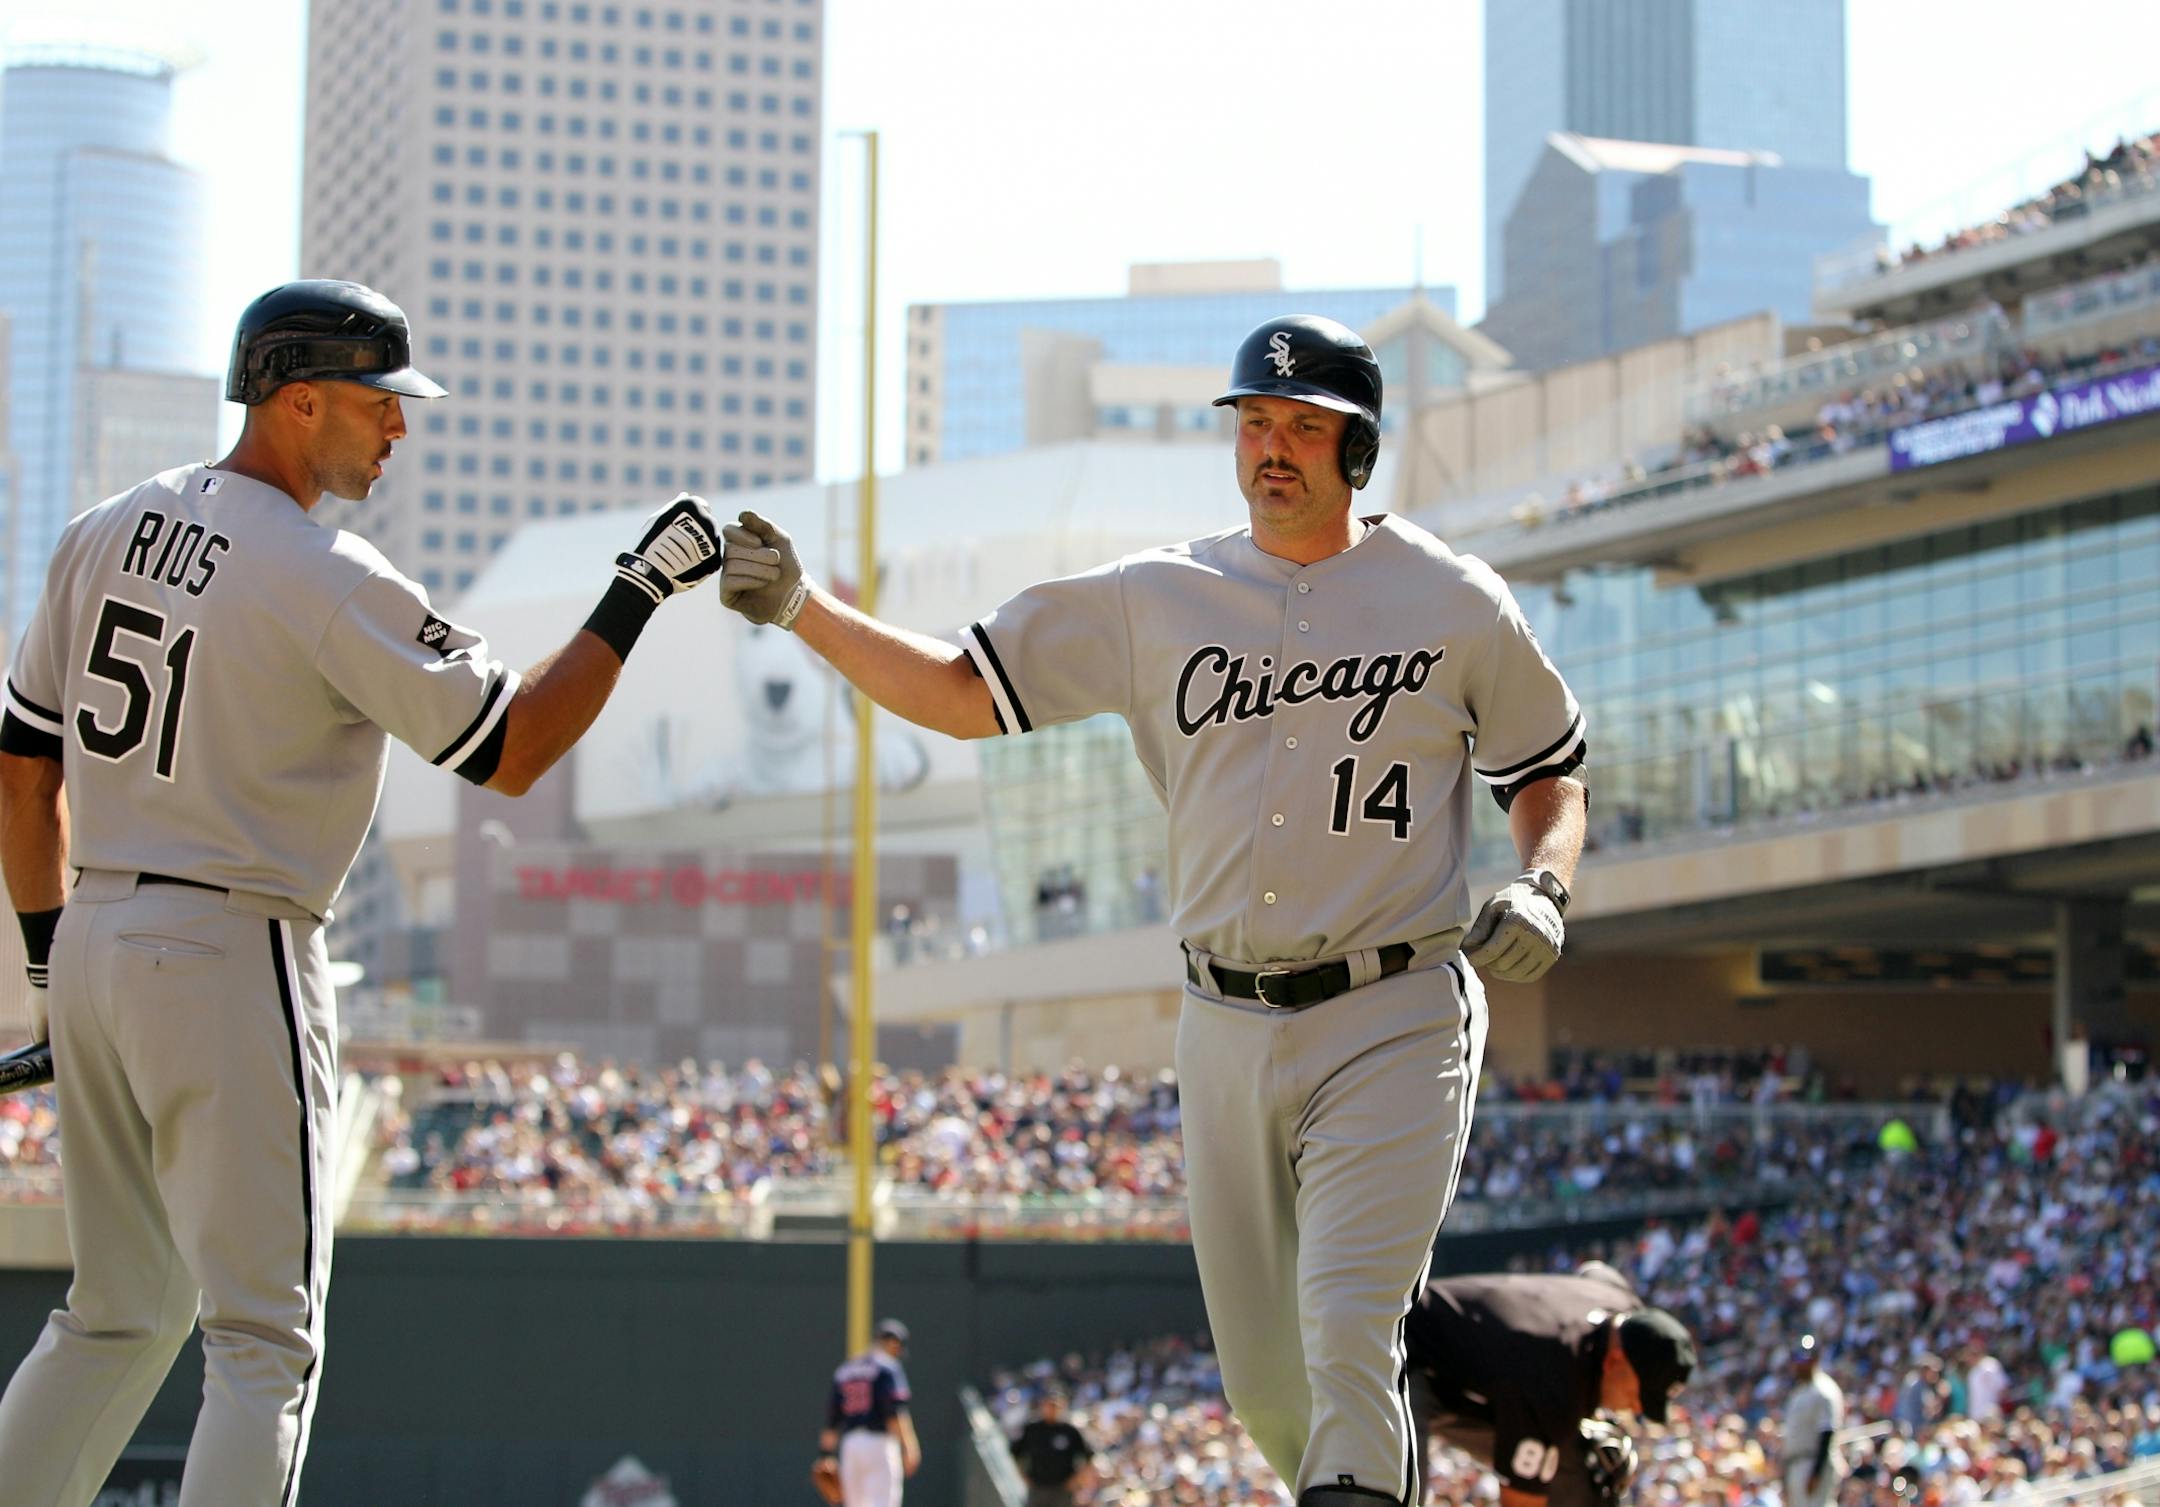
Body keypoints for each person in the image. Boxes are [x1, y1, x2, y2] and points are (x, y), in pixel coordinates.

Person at [720, 314, 1589, 1506]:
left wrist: (1544, 880)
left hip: (1393, 1007)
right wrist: (805, 607)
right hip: (1220, 1018)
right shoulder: (1157, 594)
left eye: (1302, 426)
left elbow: (1547, 767)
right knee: (1267, 1389)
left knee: (1343, 1330)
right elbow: (966, 692)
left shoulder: (1452, 597)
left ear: (1358, 449)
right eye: (1254, 422)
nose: (1271, 447)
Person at [0, 279, 722, 1506]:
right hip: (232, 941)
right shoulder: (322, 569)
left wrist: (44, 968)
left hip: (98, 936)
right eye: (379, 400)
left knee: (115, 1310)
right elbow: (517, 745)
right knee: (262, 1342)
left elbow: (24, 782)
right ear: (297, 397)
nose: (399, 426)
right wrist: (639, 586)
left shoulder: (101, 527)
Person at [1403, 1264, 1696, 1507]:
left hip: (1480, 1370)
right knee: (1397, 1490)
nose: (1637, 1408)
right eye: (1638, 1395)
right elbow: (1520, 1502)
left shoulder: (1623, 1304)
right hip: (1403, 1353)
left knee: (1585, 1466)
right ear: (1615, 1360)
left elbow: (1594, 1271)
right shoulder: (1554, 1382)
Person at [819, 1317, 921, 1507]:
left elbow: (832, 1421)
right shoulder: (886, 1367)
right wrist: (909, 1446)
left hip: (850, 1447)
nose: (898, 1352)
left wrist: (824, 1456)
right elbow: (893, 1412)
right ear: (892, 1342)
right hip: (879, 1444)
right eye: (897, 1347)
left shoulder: (845, 1370)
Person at [1781, 1335, 1846, 1507]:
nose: (1799, 1364)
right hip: (1797, 1463)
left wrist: (1816, 1473)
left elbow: (1827, 1433)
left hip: (1812, 1463)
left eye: (1804, 1359)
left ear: (1815, 1359)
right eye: (1798, 1359)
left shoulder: (1824, 1390)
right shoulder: (1799, 1392)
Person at [1010, 1388, 1095, 1507]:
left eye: (1055, 1405)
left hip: (1062, 1488)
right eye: (1049, 1405)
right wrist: (1022, 1476)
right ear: (1043, 1405)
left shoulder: (1069, 1431)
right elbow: (1015, 1452)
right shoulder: (1032, 1429)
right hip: (1037, 1486)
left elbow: (1088, 1455)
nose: (1052, 1409)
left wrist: (1077, 1479)